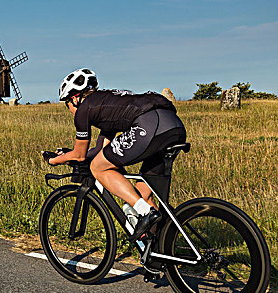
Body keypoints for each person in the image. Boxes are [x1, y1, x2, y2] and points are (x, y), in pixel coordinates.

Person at [43, 68, 186, 242]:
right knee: (143, 194)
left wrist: (54, 160)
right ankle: (160, 250)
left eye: (67, 104)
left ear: (74, 98)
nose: (70, 110)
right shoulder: (106, 102)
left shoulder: (83, 110)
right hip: (172, 126)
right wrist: (68, 154)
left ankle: (145, 212)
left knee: (98, 168)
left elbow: (80, 156)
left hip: (150, 126)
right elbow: (99, 149)